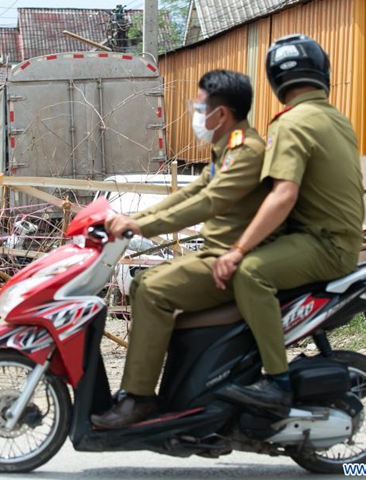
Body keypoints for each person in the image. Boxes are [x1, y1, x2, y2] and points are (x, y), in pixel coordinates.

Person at [92, 70, 274, 429]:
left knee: (151, 290)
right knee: (144, 284)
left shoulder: (247, 151)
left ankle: (140, 398)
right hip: (215, 254)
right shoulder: (229, 147)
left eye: (199, 106)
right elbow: (189, 194)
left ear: (220, 114)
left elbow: (208, 203)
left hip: (231, 261)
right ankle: (148, 393)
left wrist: (141, 226)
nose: (195, 113)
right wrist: (131, 216)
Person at [212, 34, 364, 410]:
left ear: (275, 80)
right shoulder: (335, 118)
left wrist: (237, 249)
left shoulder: (290, 124)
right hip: (337, 240)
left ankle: (276, 382)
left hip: (322, 245)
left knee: (250, 272)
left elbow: (283, 195)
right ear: (322, 71)